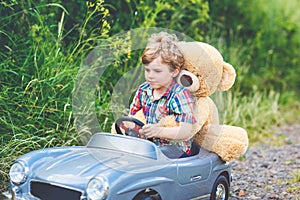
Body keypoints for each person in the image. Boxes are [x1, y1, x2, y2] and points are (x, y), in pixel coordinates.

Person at [129, 32, 196, 157]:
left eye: (157, 71)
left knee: (154, 156)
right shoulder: (143, 90)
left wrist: (157, 131)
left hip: (175, 151)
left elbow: (185, 132)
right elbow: (132, 118)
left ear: (174, 71)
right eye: (147, 70)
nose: (150, 75)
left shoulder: (179, 95)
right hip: (149, 147)